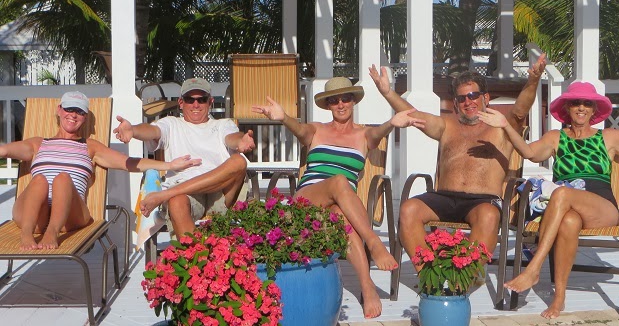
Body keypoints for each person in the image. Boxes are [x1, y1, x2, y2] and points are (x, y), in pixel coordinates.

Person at [478, 80, 619, 319]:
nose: (581, 107)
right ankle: (559, 297)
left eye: (587, 103)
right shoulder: (556, 138)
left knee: (561, 193)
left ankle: (533, 268)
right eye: (576, 103)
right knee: (569, 221)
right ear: (567, 108)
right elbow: (529, 153)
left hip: (601, 207)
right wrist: (505, 126)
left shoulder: (608, 137)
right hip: (566, 208)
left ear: (594, 110)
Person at [252, 76, 423, 319]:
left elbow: (380, 132)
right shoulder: (317, 130)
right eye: (334, 100)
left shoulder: (364, 135)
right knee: (340, 180)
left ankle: (367, 285)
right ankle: (373, 242)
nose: (340, 104)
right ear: (328, 105)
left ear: (353, 101)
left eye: (345, 98)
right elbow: (300, 131)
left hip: (340, 203)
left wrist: (392, 122)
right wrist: (284, 118)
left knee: (342, 216)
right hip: (307, 199)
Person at [369, 55, 547, 271]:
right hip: (444, 198)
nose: (468, 102)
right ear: (455, 103)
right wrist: (387, 92)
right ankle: (429, 274)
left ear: (485, 97)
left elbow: (520, 111)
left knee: (489, 215)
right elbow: (413, 116)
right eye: (461, 98)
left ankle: (464, 278)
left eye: (473, 95)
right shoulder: (447, 125)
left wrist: (533, 80)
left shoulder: (502, 127)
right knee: (408, 209)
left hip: (482, 201)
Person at [0, 91, 201, 251]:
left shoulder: (90, 147)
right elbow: (5, 150)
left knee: (62, 178)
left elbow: (128, 163)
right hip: (34, 216)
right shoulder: (38, 143)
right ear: (59, 110)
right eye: (69, 109)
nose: (73, 115)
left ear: (85, 117)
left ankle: (52, 232)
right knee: (39, 180)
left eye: (79, 112)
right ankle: (26, 234)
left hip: (70, 217)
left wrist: (169, 166)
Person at [114, 77, 256, 238]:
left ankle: (165, 195)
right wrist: (133, 130)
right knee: (176, 202)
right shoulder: (171, 124)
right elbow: (152, 131)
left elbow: (232, 137)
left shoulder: (222, 125)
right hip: (187, 194)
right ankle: (196, 253)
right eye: (190, 99)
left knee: (239, 161)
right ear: (181, 102)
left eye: (201, 100)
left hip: (220, 191)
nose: (196, 105)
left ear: (210, 102)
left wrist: (240, 141)